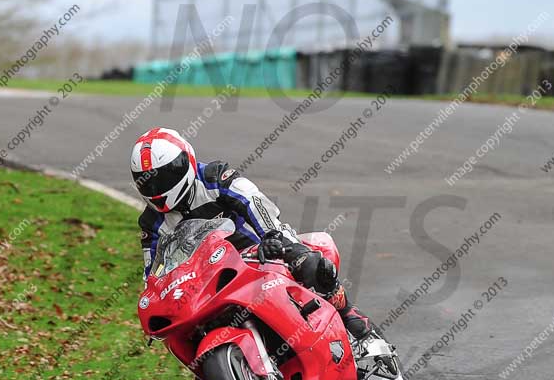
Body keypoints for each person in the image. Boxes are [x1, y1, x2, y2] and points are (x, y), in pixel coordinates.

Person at [130, 127, 375, 341]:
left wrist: (271, 236)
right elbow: (152, 273)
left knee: (308, 262)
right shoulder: (151, 223)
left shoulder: (214, 177)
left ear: (185, 162)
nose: (157, 188)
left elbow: (252, 200)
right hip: (205, 277)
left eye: (166, 176)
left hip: (256, 248)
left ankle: (347, 313)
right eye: (148, 182)